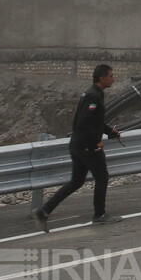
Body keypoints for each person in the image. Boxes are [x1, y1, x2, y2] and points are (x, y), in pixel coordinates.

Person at [32, 64, 123, 231]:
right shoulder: (94, 97)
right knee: (102, 177)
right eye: (111, 76)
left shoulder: (91, 94)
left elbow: (93, 121)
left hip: (77, 145)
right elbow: (84, 123)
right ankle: (99, 215)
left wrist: (110, 131)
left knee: (76, 181)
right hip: (88, 147)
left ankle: (44, 211)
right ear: (102, 78)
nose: (113, 79)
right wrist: (96, 143)